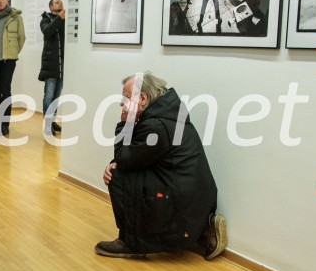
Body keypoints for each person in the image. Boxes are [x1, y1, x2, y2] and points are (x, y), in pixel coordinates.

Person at [97, 72, 226, 260]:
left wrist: (125, 124)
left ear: (142, 98)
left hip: (183, 202)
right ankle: (202, 229)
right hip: (192, 198)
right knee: (122, 170)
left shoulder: (157, 126)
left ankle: (131, 243)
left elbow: (126, 158)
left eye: (125, 98)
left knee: (117, 177)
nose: (121, 104)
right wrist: (118, 161)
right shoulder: (166, 113)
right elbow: (138, 156)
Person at [0, 0, 25, 137]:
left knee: (5, 89)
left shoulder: (16, 17)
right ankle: (1, 115)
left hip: (9, 60)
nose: (0, 1)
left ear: (7, 0)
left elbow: (22, 37)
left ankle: (5, 123)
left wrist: (12, 52)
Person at [38, 0, 65, 136]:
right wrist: (59, 19)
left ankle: (53, 121)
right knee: (48, 95)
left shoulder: (65, 20)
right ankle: (47, 124)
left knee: (57, 95)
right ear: (51, 7)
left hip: (62, 63)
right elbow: (47, 31)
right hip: (50, 62)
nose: (59, 3)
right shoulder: (45, 19)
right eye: (56, 2)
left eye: (60, 2)